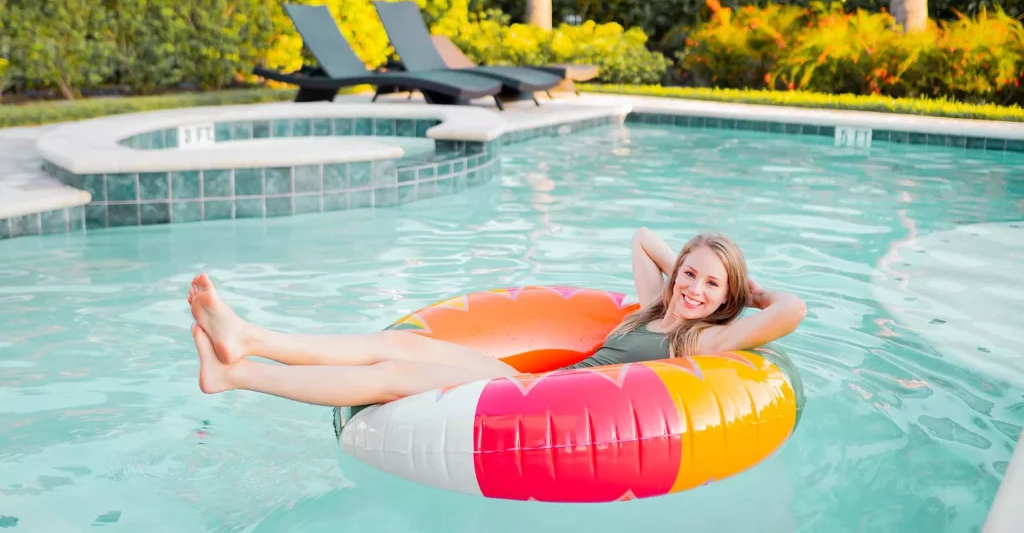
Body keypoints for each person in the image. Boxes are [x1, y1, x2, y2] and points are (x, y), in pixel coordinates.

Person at [187, 228, 806, 408]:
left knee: (388, 378)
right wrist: (684, 274)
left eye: (709, 283)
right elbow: (643, 238)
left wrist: (741, 291)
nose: (694, 288)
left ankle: (238, 377)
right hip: (536, 383)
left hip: (544, 402)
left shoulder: (711, 337)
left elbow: (792, 309)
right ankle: (249, 339)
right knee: (391, 345)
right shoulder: (653, 308)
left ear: (727, 297)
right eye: (690, 274)